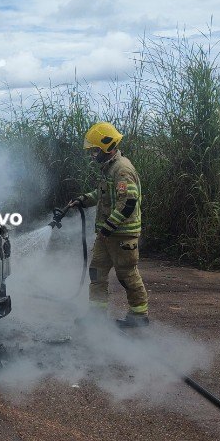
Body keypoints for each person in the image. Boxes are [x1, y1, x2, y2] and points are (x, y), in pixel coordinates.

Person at [67, 122, 149, 328]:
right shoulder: (109, 168)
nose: (92, 155)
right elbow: (103, 195)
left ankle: (139, 316)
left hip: (121, 235)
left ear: (107, 146)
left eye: (95, 151)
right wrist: (83, 200)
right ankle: (96, 318)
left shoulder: (122, 170)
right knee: (97, 272)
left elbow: (128, 203)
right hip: (107, 235)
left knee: (127, 274)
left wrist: (108, 227)